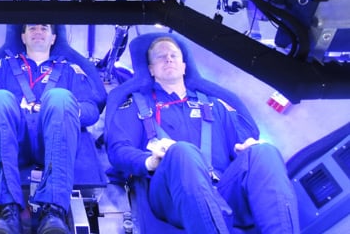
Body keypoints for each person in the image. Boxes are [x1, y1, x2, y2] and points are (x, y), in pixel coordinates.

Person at [106, 36, 299, 233]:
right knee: (181, 151)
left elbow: (242, 142)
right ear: (151, 70)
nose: (169, 59)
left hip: (221, 188)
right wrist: (149, 162)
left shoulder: (215, 105)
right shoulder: (136, 106)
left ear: (184, 66)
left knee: (264, 151)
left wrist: (248, 147)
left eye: (174, 55)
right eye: (160, 57)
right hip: (170, 194)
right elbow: (118, 150)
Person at [0, 24, 106, 234]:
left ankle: (53, 211)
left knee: (59, 97)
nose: (38, 31)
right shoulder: (3, 67)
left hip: (54, 139)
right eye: (32, 28)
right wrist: (13, 106)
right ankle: (4, 211)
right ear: (22, 36)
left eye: (44, 28)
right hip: (14, 141)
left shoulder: (70, 70)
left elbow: (91, 108)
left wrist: (64, 109)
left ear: (53, 38)